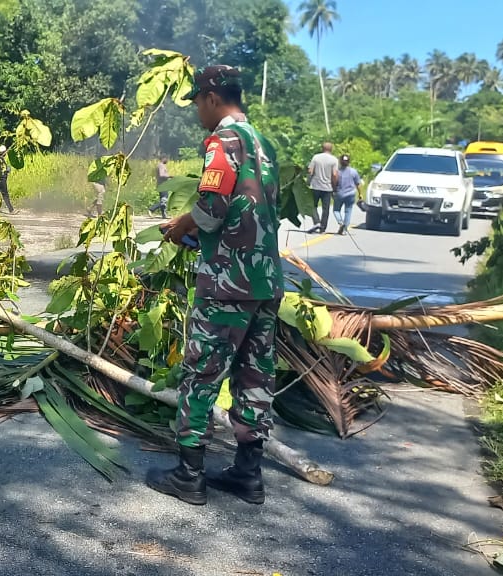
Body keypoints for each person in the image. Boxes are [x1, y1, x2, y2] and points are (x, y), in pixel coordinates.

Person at [151, 65, 285, 506]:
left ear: (211, 97)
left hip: (228, 283)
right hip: (265, 282)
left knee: (202, 373)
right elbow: (249, 213)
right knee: (254, 375)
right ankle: (249, 473)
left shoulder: (223, 141)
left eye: (196, 104)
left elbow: (211, 208)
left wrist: (180, 226)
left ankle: (189, 474)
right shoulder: (264, 143)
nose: (196, 113)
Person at [307, 142, 339, 234]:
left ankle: (316, 221)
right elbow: (334, 175)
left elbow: (310, 171)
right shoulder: (334, 160)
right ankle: (323, 227)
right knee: (326, 209)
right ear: (331, 149)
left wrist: (308, 182)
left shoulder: (316, 157)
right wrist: (334, 187)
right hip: (327, 187)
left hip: (315, 186)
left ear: (322, 148)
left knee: (313, 205)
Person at [333, 154, 362, 235]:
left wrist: (334, 191)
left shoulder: (337, 172)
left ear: (340, 162)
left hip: (340, 193)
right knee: (348, 211)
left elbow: (334, 183)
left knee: (336, 210)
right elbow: (358, 184)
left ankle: (340, 222)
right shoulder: (353, 171)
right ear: (349, 162)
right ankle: (345, 230)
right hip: (351, 194)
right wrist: (360, 194)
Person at [0, 145, 15, 214]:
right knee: (5, 194)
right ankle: (11, 210)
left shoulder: (1, 158)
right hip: (1, 178)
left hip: (0, 178)